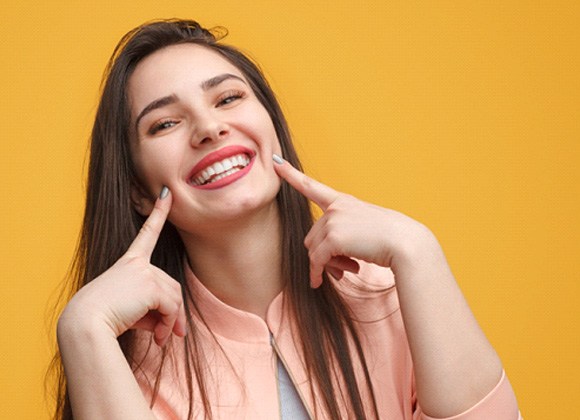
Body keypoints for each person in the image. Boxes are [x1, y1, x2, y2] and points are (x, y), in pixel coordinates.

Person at [53, 19, 521, 420]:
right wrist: (83, 328)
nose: (210, 128)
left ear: (271, 126)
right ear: (137, 189)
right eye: (165, 124)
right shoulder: (126, 366)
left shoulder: (393, 295)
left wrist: (419, 249)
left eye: (229, 98)